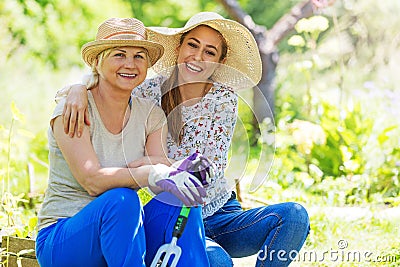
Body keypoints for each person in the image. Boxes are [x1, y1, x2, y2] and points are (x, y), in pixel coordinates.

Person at [58, 12, 310, 267]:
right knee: (219, 262)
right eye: (192, 45)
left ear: (220, 62)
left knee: (295, 216)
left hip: (220, 214)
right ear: (179, 48)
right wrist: (78, 88)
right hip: (172, 213)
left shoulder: (223, 99)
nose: (198, 57)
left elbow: (204, 171)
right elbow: (109, 81)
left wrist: (147, 163)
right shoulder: (148, 90)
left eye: (210, 52)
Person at [36, 17, 213, 267]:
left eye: (139, 56)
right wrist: (151, 171)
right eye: (119, 54)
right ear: (98, 62)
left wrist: (182, 170)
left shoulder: (150, 114)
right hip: (64, 239)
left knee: (181, 201)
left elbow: (156, 166)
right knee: (123, 199)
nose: (130, 64)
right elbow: (93, 181)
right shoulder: (74, 108)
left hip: (123, 233)